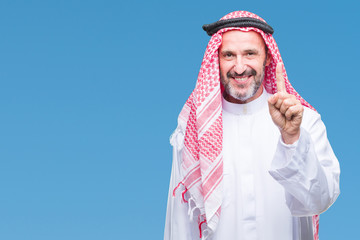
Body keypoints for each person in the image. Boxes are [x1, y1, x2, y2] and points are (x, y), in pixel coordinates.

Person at [164, 11, 340, 240]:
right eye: (228, 55)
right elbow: (179, 222)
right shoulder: (194, 129)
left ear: (267, 57)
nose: (239, 67)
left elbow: (319, 200)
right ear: (216, 60)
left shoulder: (304, 121)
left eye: (249, 54)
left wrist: (292, 138)